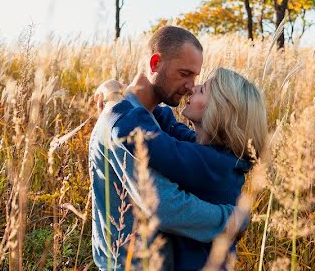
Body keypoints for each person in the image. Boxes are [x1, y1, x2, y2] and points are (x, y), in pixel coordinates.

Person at [89, 25, 240, 270]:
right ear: (156, 63)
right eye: (184, 74)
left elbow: (196, 153)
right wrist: (233, 219)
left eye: (195, 77)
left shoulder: (154, 119)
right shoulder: (119, 123)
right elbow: (165, 207)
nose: (191, 86)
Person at [97, 65, 268, 270]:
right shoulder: (215, 155)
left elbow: (156, 143)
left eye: (203, 90)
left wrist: (117, 102)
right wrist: (143, 98)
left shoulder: (213, 164)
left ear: (220, 110)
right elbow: (174, 130)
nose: (193, 88)